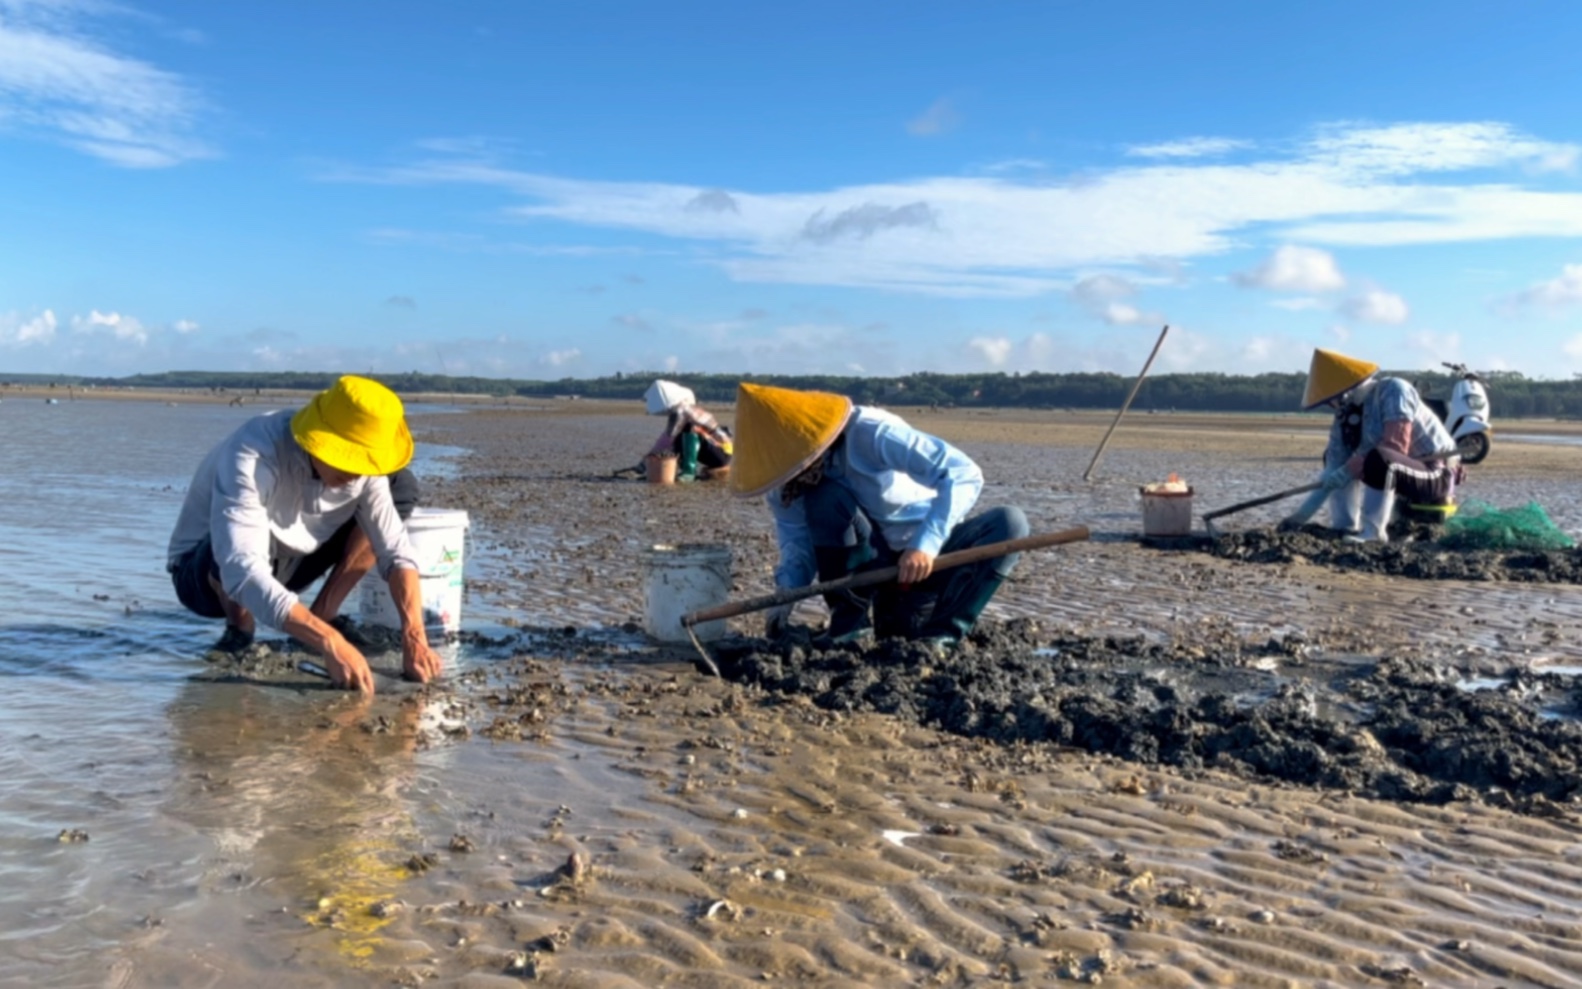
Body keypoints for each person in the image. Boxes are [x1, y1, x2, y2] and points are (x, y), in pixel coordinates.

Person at [167, 375, 443, 692]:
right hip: (203, 575)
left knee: (401, 485)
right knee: (228, 548)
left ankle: (324, 612)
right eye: (345, 460)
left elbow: (394, 550)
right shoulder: (253, 453)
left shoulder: (368, 470)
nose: (356, 473)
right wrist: (329, 641)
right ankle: (240, 627)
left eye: (364, 464)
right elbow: (240, 568)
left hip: (289, 558)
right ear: (316, 438)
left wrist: (415, 636)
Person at [730, 382, 1029, 645]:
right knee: (825, 496)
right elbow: (798, 550)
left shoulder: (870, 432)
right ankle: (849, 627)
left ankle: (944, 635)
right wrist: (783, 600)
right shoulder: (785, 483)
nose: (792, 474)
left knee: (1009, 523)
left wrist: (924, 545)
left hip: (932, 558)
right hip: (875, 566)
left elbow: (962, 473)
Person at [1282, 348, 1462, 542]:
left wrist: (1350, 468)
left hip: (1434, 472)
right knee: (1339, 464)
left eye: (1330, 400)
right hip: (1401, 472)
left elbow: (1395, 447)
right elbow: (1333, 470)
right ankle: (1345, 527)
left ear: (1344, 392)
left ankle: (1374, 532)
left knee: (1379, 459)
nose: (1331, 406)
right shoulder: (1345, 414)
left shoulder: (1393, 390)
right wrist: (1298, 518)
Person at [642, 379, 733, 480]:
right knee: (679, 436)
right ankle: (681, 470)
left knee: (689, 428)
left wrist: (646, 461)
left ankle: (689, 471)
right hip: (716, 451)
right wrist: (647, 460)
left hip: (723, 452)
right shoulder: (678, 412)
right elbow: (667, 437)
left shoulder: (683, 410)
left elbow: (667, 439)